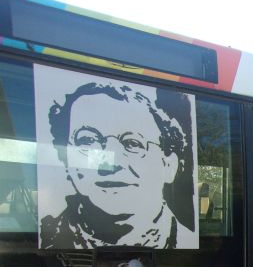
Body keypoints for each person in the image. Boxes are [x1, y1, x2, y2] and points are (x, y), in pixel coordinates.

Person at [39, 78, 196, 248]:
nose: (110, 164)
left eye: (132, 144)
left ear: (169, 165)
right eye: (88, 141)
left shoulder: (193, 247)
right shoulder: (45, 241)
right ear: (66, 159)